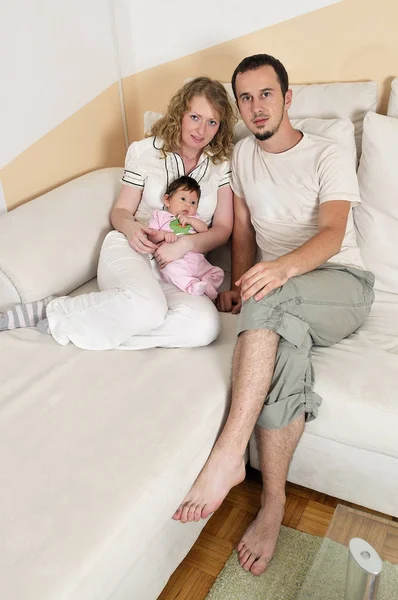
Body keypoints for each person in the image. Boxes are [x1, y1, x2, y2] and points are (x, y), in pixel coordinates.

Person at [172, 54, 375, 576]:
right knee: (283, 354)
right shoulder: (241, 155)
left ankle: (228, 456)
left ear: (288, 99)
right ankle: (274, 504)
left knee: (269, 295)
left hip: (341, 285)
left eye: (267, 94)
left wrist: (277, 273)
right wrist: (241, 285)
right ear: (238, 106)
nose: (256, 106)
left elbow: (332, 234)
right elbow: (242, 234)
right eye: (246, 97)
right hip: (281, 294)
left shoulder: (327, 153)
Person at [0, 78, 235, 350]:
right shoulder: (145, 152)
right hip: (132, 249)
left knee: (203, 327)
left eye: (212, 122)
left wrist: (186, 244)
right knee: (148, 308)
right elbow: (121, 211)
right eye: (195, 116)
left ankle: (83, 319)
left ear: (220, 127)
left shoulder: (220, 166)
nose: (201, 129)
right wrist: (132, 229)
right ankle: (54, 312)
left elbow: (223, 229)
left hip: (181, 269)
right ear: (180, 113)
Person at [147, 175, 224, 299]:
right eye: (183, 199)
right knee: (170, 270)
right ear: (167, 200)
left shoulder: (195, 218)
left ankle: (208, 286)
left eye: (193, 203)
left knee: (217, 272)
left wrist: (191, 221)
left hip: (196, 259)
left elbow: (205, 230)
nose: (188, 205)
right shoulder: (160, 216)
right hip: (174, 260)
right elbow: (151, 236)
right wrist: (164, 235)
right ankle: (191, 286)